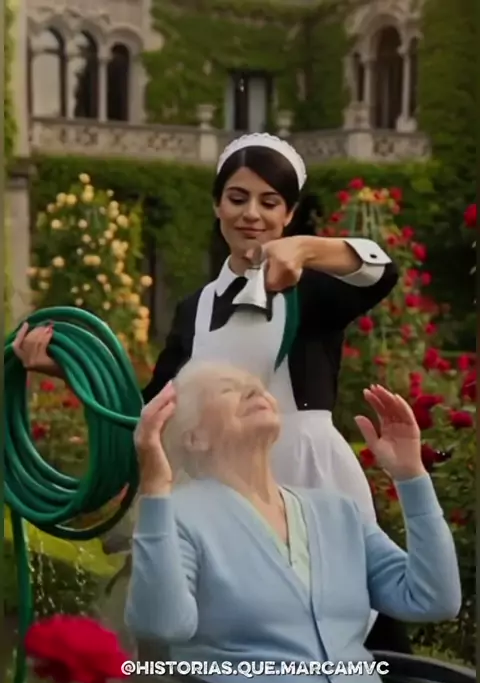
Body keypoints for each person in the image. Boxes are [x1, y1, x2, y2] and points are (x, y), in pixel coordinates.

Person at [11, 133, 405, 652]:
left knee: (354, 626)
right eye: (237, 198)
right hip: (228, 490)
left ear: (289, 214)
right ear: (217, 205)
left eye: (270, 202)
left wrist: (306, 249)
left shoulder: (310, 288)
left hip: (310, 475)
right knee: (245, 637)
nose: (252, 214)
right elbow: (154, 407)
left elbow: (381, 272)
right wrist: (66, 368)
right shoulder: (195, 308)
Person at [127, 362, 474, 683]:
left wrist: (411, 477)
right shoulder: (178, 514)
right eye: (229, 389)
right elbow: (162, 625)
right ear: (195, 438)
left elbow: (433, 598)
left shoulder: (336, 511)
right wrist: (155, 494)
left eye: (256, 386)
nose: (253, 389)